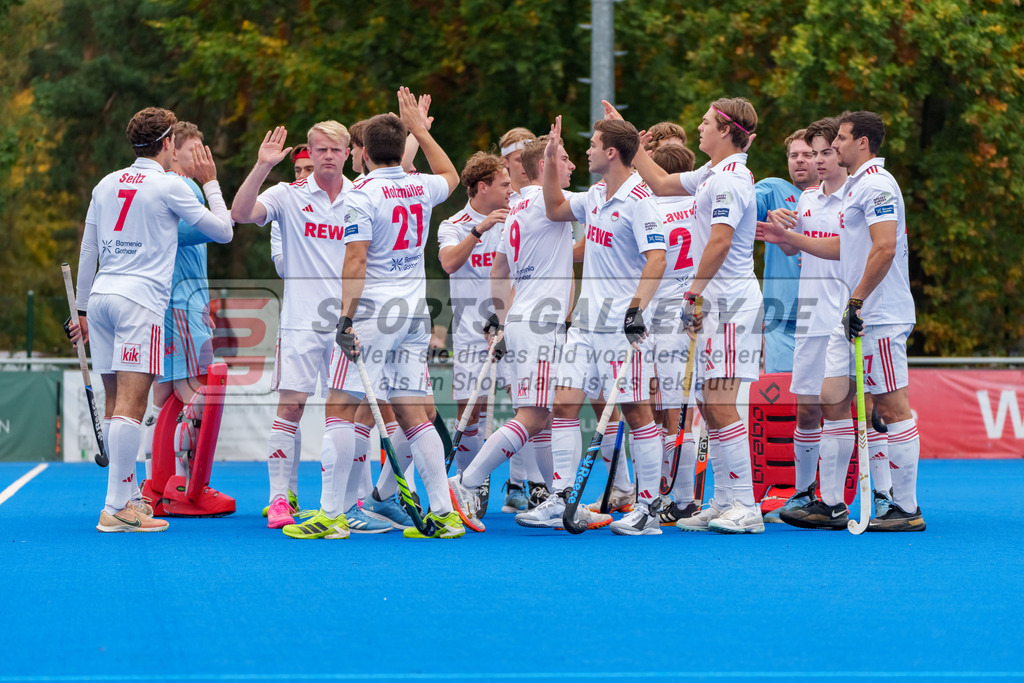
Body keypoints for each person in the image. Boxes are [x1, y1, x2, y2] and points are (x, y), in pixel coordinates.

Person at [71, 106, 233, 532]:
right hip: (139, 301)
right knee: (133, 404)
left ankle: (124, 498)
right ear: (165, 144)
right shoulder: (167, 186)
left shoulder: (106, 183)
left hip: (103, 297)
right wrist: (211, 182)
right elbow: (224, 230)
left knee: (114, 405)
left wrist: (82, 310)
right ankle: (116, 508)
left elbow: (89, 251)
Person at [764, 111, 920, 531]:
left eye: (843, 139)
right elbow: (847, 248)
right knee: (832, 400)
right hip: (852, 315)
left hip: (878, 315)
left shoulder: (877, 185)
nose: (836, 146)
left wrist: (856, 300)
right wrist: (789, 238)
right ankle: (831, 504)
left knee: (890, 405)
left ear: (862, 143)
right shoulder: (857, 188)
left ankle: (905, 507)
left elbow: (884, 248)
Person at [619, 97, 766, 534]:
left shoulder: (730, 181)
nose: (697, 129)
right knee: (707, 401)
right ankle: (723, 500)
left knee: (719, 402)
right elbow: (661, 182)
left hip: (728, 302)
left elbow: (720, 242)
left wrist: (694, 293)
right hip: (713, 303)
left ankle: (747, 505)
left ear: (724, 130)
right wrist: (629, 139)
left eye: (704, 123)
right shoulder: (712, 173)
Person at [514, 115, 667, 535]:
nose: (587, 150)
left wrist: (637, 309)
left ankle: (649, 507)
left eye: (594, 143)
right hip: (585, 323)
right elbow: (555, 207)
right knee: (563, 405)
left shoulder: (641, 201)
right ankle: (562, 498)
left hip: (622, 325)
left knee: (637, 412)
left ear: (612, 152)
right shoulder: (596, 194)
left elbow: (657, 259)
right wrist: (547, 160)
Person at [330, 87, 464, 539]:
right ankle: (443, 513)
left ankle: (332, 515)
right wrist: (423, 132)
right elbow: (450, 173)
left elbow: (356, 261)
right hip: (414, 311)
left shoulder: (361, 193)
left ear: (362, 152)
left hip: (373, 309)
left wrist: (346, 318)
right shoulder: (419, 185)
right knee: (413, 412)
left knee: (339, 408)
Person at [448, 132, 588, 532]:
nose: (572, 166)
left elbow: (498, 272)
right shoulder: (548, 202)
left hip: (524, 320)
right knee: (532, 416)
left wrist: (504, 320)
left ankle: (557, 499)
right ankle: (468, 481)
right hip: (541, 326)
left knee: (541, 415)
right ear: (543, 166)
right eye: (564, 158)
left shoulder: (517, 207)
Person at [230, 120, 352, 531]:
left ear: (349, 153)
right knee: (291, 409)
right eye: (320, 149)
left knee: (347, 416)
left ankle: (341, 504)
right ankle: (280, 499)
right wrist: (263, 166)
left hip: (349, 325)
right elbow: (240, 213)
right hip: (301, 324)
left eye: (336, 149)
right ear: (310, 155)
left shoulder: (364, 197)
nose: (328, 155)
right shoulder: (287, 195)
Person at [138, 121, 233, 514]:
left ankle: (156, 487)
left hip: (171, 303)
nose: (202, 157)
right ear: (171, 151)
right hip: (179, 306)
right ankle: (189, 488)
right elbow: (218, 229)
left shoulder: (158, 189)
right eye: (194, 149)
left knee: (163, 400)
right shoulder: (184, 187)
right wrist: (212, 185)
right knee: (198, 396)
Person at [437, 152, 511, 500]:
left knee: (530, 409)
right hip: (469, 334)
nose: (511, 189)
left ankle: (533, 487)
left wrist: (505, 318)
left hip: (510, 328)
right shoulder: (453, 224)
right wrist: (479, 230)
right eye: (504, 183)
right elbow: (450, 263)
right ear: (483, 187)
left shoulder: (516, 219)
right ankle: (469, 486)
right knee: (471, 412)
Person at [643, 143, 700, 524]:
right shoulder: (699, 205)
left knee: (664, 414)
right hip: (691, 312)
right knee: (687, 410)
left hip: (659, 316)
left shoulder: (647, 207)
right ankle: (685, 498)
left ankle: (672, 496)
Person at [756, 131, 819, 374]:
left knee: (827, 403)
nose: (799, 160)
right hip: (781, 316)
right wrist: (765, 217)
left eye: (807, 154)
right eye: (794, 155)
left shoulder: (837, 198)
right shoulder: (773, 190)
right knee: (784, 401)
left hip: (824, 314)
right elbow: (738, 209)